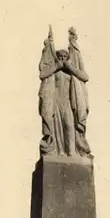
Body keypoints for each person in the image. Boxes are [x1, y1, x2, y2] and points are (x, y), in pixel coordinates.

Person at [38, 26, 91, 157]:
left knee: (69, 125)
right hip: (55, 102)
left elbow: (85, 76)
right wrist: (56, 66)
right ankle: (60, 151)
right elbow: (42, 75)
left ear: (67, 57)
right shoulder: (54, 71)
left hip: (68, 102)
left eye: (64, 55)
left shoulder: (70, 71)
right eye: (59, 56)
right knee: (57, 129)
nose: (62, 57)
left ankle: (71, 151)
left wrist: (68, 66)